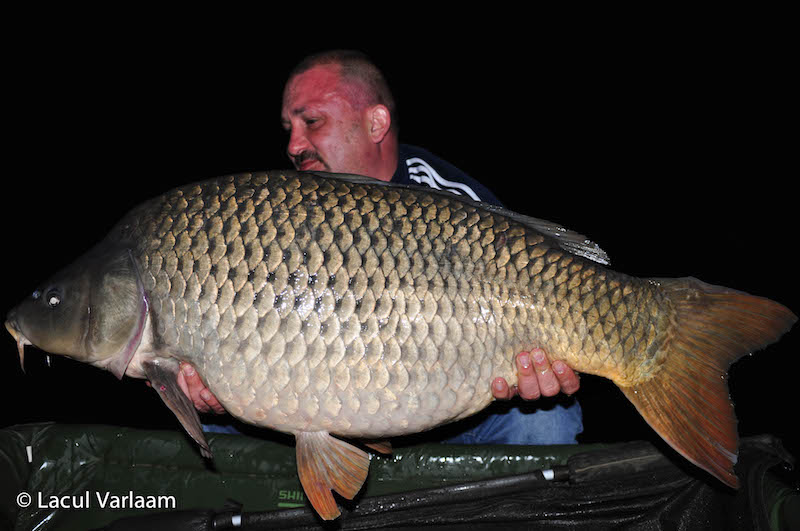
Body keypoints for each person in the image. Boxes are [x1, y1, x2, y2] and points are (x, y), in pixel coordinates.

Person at [178, 50, 583, 445]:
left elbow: (533, 292)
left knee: (548, 422)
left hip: (439, 409)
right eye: (289, 129)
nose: (294, 145)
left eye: (312, 122)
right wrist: (220, 382)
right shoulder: (278, 211)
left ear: (376, 123)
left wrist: (532, 369)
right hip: (316, 398)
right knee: (206, 426)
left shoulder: (452, 202)